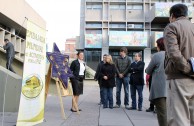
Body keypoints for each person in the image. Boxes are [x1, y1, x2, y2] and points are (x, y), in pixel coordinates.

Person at [164, 4, 194, 126]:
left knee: (178, 119)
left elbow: (174, 54)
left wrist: (188, 69)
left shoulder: (172, 27)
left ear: (172, 16)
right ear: (186, 15)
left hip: (179, 77)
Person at [145, 37, 167, 126]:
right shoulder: (174, 54)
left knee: (162, 114)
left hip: (160, 89)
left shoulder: (157, 55)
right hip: (173, 89)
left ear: (159, 46)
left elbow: (148, 71)